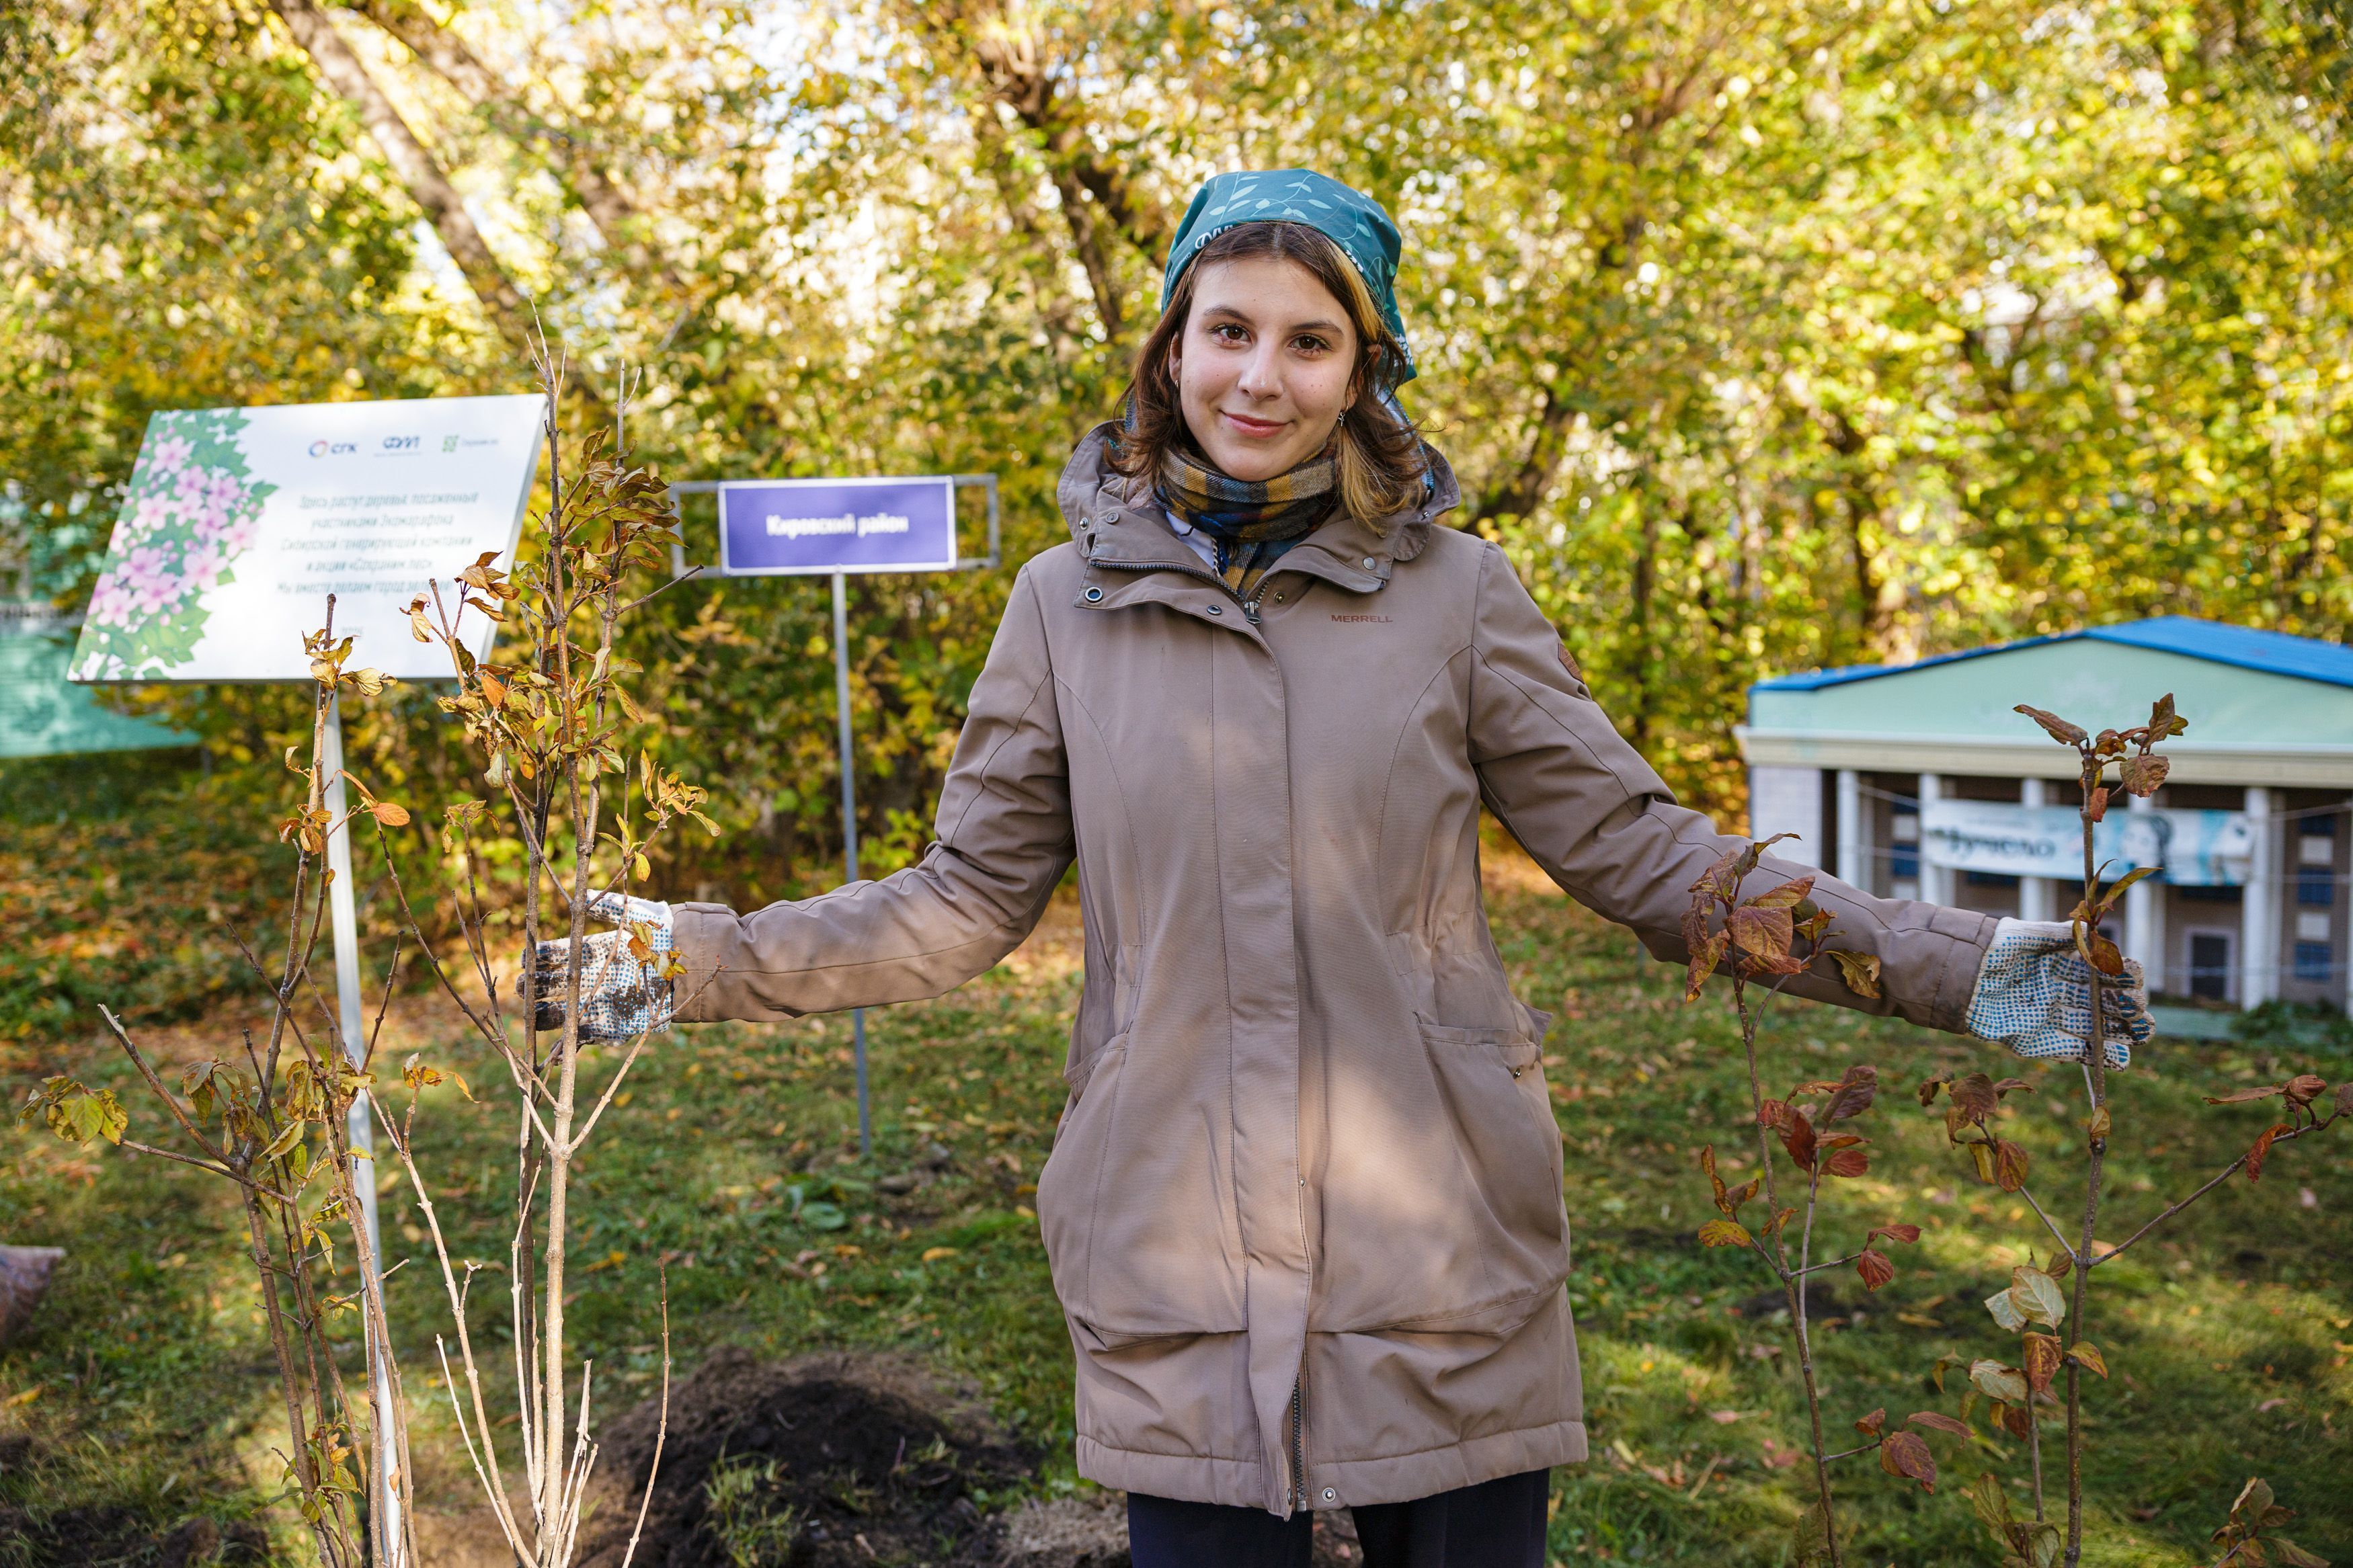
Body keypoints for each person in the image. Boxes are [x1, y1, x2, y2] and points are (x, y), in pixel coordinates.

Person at [528, 169, 2153, 1568]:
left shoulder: (1453, 594)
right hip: (1173, 1246)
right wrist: (688, 960)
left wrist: (1982, 976)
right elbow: (959, 901)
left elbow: (1645, 854)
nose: (1261, 376)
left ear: (1362, 368)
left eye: (1310, 341)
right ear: (1172, 347)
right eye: (1228, 329)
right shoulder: (1058, 606)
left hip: (1435, 1239)